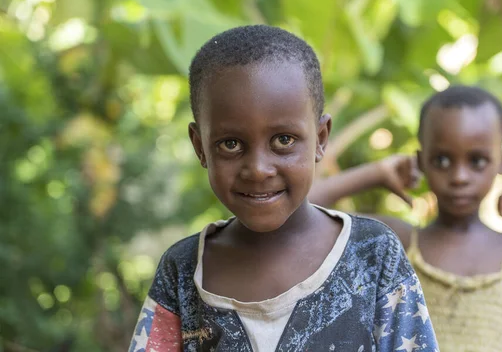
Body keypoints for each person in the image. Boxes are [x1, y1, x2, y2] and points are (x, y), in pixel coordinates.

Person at [128, 25, 439, 352]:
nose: (258, 169)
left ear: (320, 139)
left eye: (283, 140)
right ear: (200, 146)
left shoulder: (372, 254)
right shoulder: (183, 271)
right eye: (231, 144)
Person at [309, 85, 502, 352]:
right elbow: (301, 209)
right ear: (421, 162)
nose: (459, 177)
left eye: (477, 161)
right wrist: (376, 173)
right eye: (442, 161)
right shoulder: (399, 243)